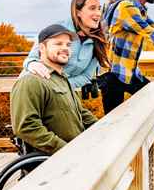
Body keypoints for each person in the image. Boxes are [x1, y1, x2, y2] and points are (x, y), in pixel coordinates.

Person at [10, 24, 99, 154]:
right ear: (42, 48)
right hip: (56, 160)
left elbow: (81, 113)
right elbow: (26, 127)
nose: (65, 48)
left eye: (68, 45)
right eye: (58, 44)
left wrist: (104, 128)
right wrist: (65, 150)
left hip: (80, 151)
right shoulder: (31, 81)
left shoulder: (62, 79)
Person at [23, 0, 109, 92]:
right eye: (92, 8)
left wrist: (61, 86)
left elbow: (86, 76)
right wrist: (33, 64)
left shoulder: (97, 41)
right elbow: (31, 59)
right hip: (36, 88)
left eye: (99, 8)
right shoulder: (57, 29)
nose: (98, 13)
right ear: (78, 12)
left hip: (62, 92)